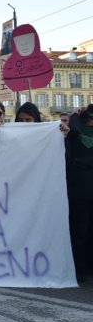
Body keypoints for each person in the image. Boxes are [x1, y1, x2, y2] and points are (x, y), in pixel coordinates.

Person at [65, 104, 93, 283]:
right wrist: (76, 115)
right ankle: (80, 267)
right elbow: (73, 125)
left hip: (83, 188)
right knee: (80, 232)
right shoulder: (75, 133)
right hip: (80, 190)